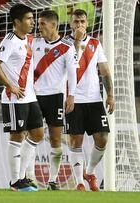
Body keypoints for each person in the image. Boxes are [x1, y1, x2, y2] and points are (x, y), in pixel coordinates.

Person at [0, 4, 44, 192]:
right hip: (14, 98)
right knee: (17, 136)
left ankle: (22, 177)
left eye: (32, 18)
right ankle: (15, 181)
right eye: (28, 18)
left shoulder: (28, 39)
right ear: (17, 22)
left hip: (30, 97)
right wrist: (9, 85)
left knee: (37, 134)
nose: (32, 22)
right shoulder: (9, 40)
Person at [66, 9, 115, 192]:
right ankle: (79, 182)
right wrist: (77, 41)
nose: (79, 25)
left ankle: (90, 172)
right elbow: (73, 63)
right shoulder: (65, 44)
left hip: (94, 99)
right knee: (75, 140)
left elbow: (104, 71)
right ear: (71, 23)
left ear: (87, 23)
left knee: (102, 139)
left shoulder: (95, 43)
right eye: (76, 22)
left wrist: (110, 95)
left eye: (82, 21)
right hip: (74, 99)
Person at [31, 10, 78, 190]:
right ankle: (27, 177)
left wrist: (71, 95)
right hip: (34, 96)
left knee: (56, 139)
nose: (39, 26)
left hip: (56, 97)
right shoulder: (34, 42)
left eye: (42, 23)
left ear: (53, 25)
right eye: (39, 23)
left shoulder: (67, 47)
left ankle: (52, 180)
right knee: (31, 136)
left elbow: (72, 73)